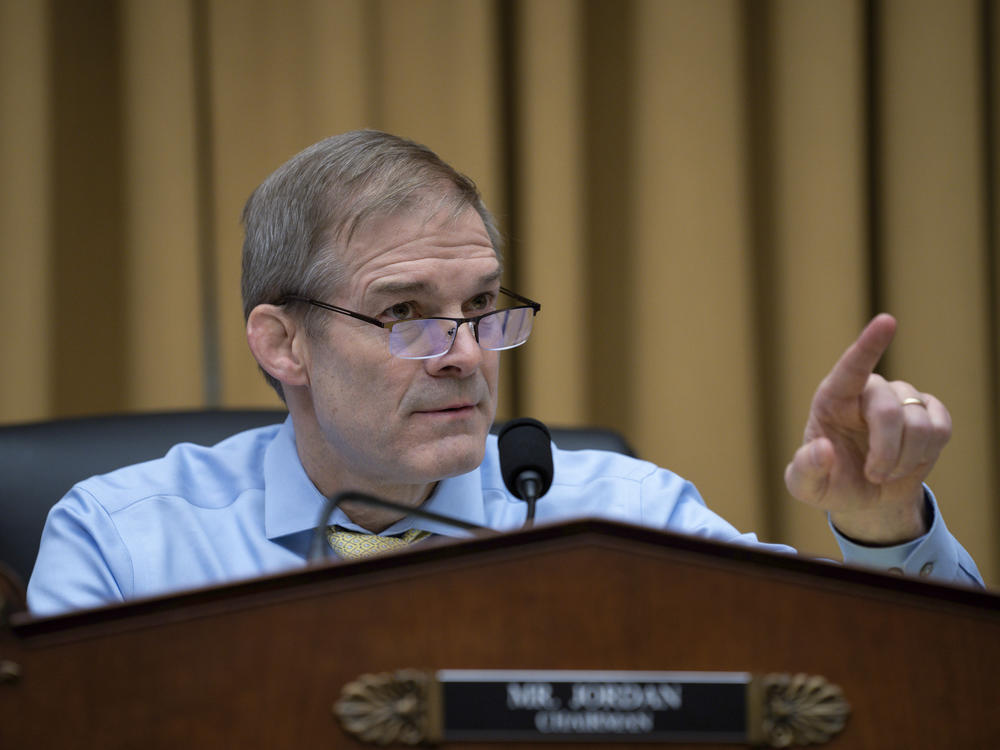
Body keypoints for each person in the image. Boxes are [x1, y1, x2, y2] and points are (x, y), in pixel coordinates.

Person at [27, 130, 982, 616]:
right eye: (404, 313)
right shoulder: (126, 545)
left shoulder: (623, 517)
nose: (466, 355)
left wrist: (883, 528)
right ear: (284, 344)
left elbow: (891, 686)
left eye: (483, 307)